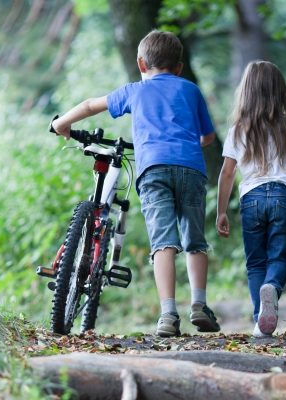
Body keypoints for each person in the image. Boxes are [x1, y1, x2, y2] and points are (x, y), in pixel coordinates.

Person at [51, 30, 220, 337]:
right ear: (180, 67)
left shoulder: (135, 91)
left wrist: (62, 123)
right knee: (194, 240)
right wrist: (188, 143)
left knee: (163, 243)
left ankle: (168, 314)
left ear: (141, 63)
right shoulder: (191, 90)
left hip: (153, 169)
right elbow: (208, 137)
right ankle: (199, 305)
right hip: (191, 169)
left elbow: (91, 105)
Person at [216, 61, 286, 337]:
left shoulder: (237, 130)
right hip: (285, 198)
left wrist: (221, 212)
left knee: (255, 263)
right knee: (279, 258)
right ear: (280, 92)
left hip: (251, 200)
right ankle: (272, 287)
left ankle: (260, 317)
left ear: (245, 93)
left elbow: (227, 173)